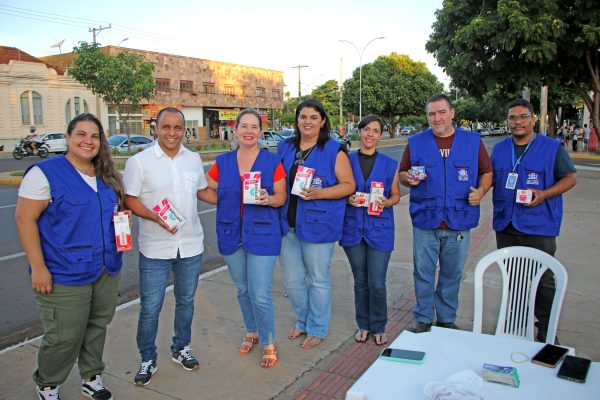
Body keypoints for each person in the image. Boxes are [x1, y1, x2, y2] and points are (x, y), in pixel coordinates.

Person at [15, 113, 125, 400]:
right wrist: (38, 268)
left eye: (95, 136)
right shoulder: (45, 173)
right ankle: (48, 384)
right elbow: (25, 220)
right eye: (81, 134)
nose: (88, 141)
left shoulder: (105, 176)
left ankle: (91, 377)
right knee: (64, 336)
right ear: (68, 138)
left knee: (96, 327)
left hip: (104, 269)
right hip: (64, 272)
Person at [123, 107, 208, 385]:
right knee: (150, 307)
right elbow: (130, 200)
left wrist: (237, 195)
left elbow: (202, 190)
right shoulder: (140, 162)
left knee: (186, 302)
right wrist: (156, 218)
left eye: (178, 128)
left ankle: (181, 348)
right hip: (155, 248)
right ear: (155, 129)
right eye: (166, 127)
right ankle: (147, 358)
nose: (172, 133)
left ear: (185, 130)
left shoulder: (194, 160)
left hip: (191, 245)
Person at [399, 94, 492, 333]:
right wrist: (407, 178)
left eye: (441, 112)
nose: (436, 118)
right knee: (423, 273)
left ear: (452, 113)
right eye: (431, 114)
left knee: (452, 274)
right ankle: (423, 317)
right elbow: (402, 172)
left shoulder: (472, 142)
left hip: (458, 221)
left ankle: (446, 318)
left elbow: (487, 172)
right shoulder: (416, 142)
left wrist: (481, 191)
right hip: (425, 220)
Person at [203, 108, 286, 368]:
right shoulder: (223, 162)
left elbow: (282, 197)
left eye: (254, 127)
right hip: (231, 234)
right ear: (235, 129)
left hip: (262, 234)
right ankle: (251, 330)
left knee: (260, 293)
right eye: (244, 126)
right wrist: (226, 203)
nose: (249, 131)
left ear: (260, 132)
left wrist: (269, 198)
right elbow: (205, 190)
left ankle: (268, 340)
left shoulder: (272, 162)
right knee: (242, 290)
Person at [491, 98, 577, 343]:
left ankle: (547, 331)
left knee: (543, 280)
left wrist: (544, 194)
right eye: (512, 118)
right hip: (506, 223)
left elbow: (570, 178)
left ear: (533, 120)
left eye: (523, 117)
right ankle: (515, 326)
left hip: (539, 224)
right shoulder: (499, 149)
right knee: (513, 277)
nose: (517, 122)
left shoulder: (551, 147)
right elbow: (489, 178)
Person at [277, 98, 355, 349]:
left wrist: (319, 193)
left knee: (317, 279)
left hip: (318, 225)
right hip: (287, 226)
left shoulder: (334, 149)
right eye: (303, 117)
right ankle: (303, 320)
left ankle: (318, 327)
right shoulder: (284, 147)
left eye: (313, 117)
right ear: (296, 120)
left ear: (322, 121)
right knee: (292, 281)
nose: (307, 122)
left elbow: (348, 186)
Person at [340, 115, 400, 346]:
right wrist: (348, 198)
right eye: (366, 129)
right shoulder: (346, 160)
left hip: (380, 229)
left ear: (380, 135)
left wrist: (387, 202)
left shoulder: (389, 164)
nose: (370, 134)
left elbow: (395, 195)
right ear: (360, 131)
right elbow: (339, 188)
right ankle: (363, 325)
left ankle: (379, 326)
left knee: (377, 282)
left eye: (375, 131)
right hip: (353, 228)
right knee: (360, 281)